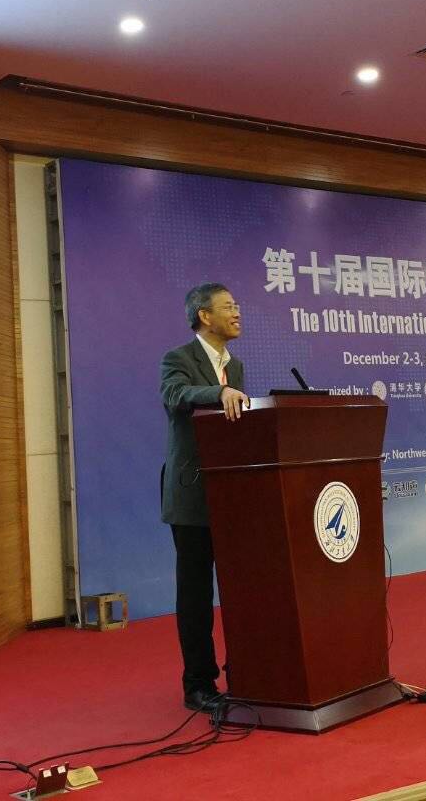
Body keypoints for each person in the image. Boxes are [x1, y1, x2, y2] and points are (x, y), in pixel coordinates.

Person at [159, 283, 250, 712]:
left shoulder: (237, 365)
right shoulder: (177, 359)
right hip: (192, 495)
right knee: (195, 596)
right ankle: (197, 683)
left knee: (239, 590)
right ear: (204, 316)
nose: (237, 312)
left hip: (231, 496)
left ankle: (245, 670)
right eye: (228, 306)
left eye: (236, 305)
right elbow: (176, 396)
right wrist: (218, 392)